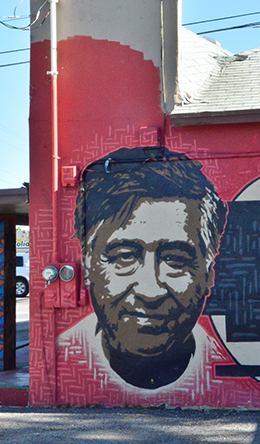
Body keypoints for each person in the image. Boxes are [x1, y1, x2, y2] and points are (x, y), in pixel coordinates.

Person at [72, 146, 226, 390]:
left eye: (175, 261)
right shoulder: (63, 357)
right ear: (89, 264)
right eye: (124, 257)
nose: (150, 291)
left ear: (208, 273)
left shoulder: (227, 360)